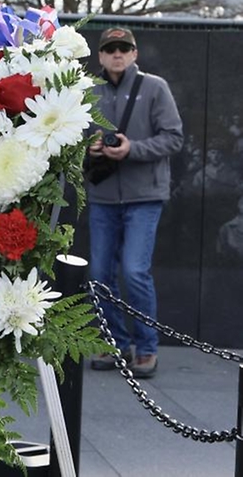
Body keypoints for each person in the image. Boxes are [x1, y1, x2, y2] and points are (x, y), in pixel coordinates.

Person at [86, 27, 183, 378]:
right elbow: (75, 139)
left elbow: (174, 138)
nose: (117, 54)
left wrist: (132, 149)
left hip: (145, 196)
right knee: (99, 274)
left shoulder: (154, 87)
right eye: (110, 49)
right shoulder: (89, 92)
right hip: (103, 195)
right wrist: (92, 147)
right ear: (100, 56)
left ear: (134, 54)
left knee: (134, 271)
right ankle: (114, 345)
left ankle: (146, 349)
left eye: (124, 48)